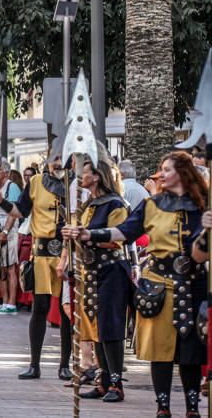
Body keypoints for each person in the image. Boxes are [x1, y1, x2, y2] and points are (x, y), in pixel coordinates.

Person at [70, 150, 207, 417]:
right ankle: (163, 408)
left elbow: (202, 252)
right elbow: (124, 232)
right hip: (158, 285)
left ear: (182, 173)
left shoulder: (203, 207)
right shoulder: (151, 205)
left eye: (167, 169)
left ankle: (192, 409)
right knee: (161, 350)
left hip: (193, 283)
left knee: (191, 352)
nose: (161, 174)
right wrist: (90, 234)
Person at [56, 152, 132, 403]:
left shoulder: (115, 204)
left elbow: (118, 238)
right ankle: (103, 379)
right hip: (90, 271)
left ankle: (116, 383)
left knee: (110, 328)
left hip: (111, 271)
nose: (81, 176)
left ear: (97, 177)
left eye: (85, 171)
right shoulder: (89, 204)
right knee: (96, 328)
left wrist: (86, 234)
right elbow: (80, 235)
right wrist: (71, 235)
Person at [0, 146, 72, 381]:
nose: (58, 163)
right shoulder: (36, 182)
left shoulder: (74, 185)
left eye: (62, 158)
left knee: (66, 311)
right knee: (40, 309)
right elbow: (21, 211)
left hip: (66, 252)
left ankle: (65, 365)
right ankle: (34, 365)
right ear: (47, 161)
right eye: (54, 159)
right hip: (41, 252)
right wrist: (3, 203)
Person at [0, 161, 22, 316]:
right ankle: (4, 301)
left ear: (7, 173)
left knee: (10, 267)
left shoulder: (12, 187)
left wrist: (5, 231)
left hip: (7, 232)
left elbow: (13, 212)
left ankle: (11, 303)